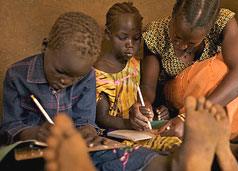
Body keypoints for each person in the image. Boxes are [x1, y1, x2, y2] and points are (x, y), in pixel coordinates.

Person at [0, 11, 159, 171]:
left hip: (77, 150)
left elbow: (85, 121)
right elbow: (10, 127)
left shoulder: (88, 76)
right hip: (34, 153)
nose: (66, 81)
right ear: (45, 46)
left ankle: (164, 164)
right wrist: (35, 133)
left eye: (75, 77)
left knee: (123, 154)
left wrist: (87, 131)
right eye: (60, 71)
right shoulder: (17, 76)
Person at [141, 0, 238, 143]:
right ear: (174, 13)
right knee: (220, 78)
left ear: (210, 28)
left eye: (191, 43)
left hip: (213, 101)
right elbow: (147, 87)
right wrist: (143, 105)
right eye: (177, 37)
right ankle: (230, 144)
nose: (183, 46)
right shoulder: (155, 33)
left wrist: (193, 116)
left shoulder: (223, 21)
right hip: (183, 97)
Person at [44, 96, 238, 171]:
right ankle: (221, 156)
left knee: (154, 149)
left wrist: (149, 112)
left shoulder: (87, 80)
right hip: (108, 145)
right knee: (136, 156)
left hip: (125, 141)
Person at [94, 2, 181, 151]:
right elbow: (102, 118)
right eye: (123, 37)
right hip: (116, 135)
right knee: (166, 149)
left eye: (136, 38)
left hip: (140, 131)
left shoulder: (135, 65)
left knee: (177, 140)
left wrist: (157, 112)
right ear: (108, 34)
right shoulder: (99, 74)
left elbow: (143, 99)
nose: (130, 44)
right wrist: (130, 123)